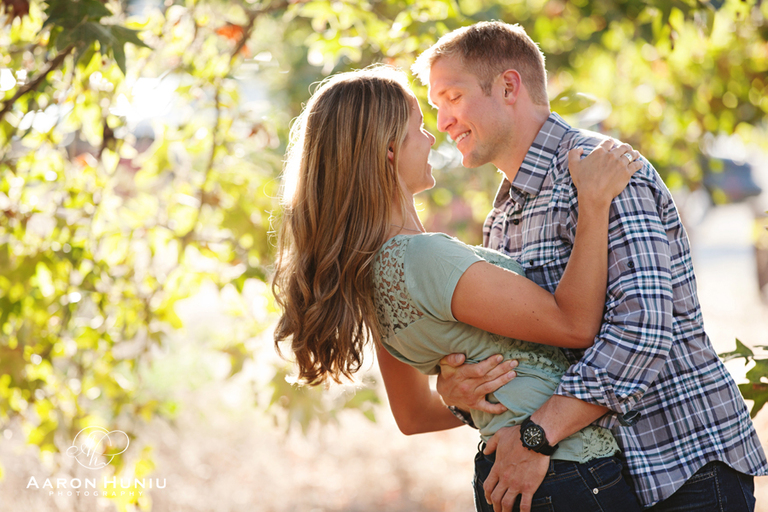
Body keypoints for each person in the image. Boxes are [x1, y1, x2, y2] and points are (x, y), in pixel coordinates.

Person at [409, 20, 768, 512]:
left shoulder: (605, 170)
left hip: (684, 469)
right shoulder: (502, 218)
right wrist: (463, 391)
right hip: (599, 478)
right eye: (435, 106)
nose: (443, 121)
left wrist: (537, 436)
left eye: (452, 97)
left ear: (509, 86)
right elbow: (525, 355)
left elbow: (641, 329)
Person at [271, 65, 644, 510]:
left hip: (509, 473)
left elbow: (412, 417)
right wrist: (595, 202)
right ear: (389, 150)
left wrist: (457, 398)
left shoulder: (369, 270)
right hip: (561, 473)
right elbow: (575, 324)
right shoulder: (423, 258)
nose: (433, 139)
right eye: (419, 128)